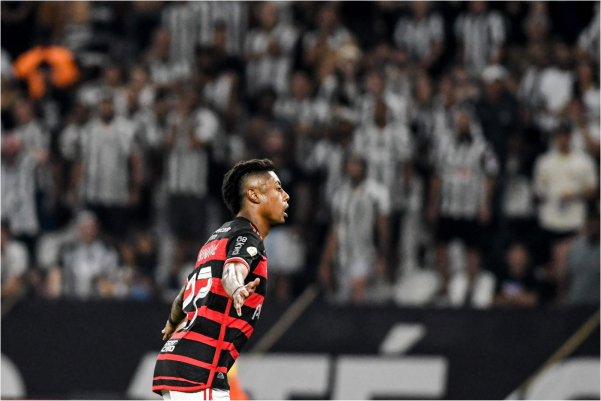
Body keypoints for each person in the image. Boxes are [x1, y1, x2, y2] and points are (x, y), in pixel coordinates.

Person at [153, 159, 290, 400]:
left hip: (176, 360)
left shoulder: (216, 238)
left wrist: (173, 322)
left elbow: (183, 296)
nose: (286, 196)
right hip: (200, 370)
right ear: (254, 195)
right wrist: (236, 288)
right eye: (278, 188)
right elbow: (232, 272)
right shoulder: (247, 236)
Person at [319, 154, 391, 304]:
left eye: (357, 165)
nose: (353, 169)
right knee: (344, 297)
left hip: (366, 252)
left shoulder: (376, 193)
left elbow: (383, 227)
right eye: (350, 165)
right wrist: (326, 261)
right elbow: (335, 230)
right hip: (343, 257)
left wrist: (382, 256)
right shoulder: (340, 195)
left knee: (358, 292)